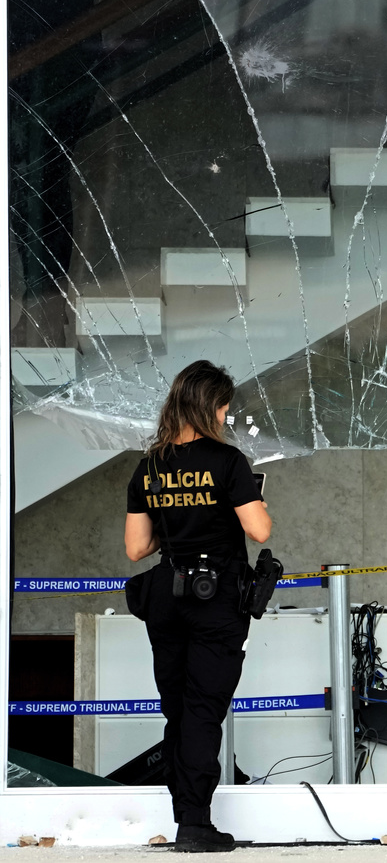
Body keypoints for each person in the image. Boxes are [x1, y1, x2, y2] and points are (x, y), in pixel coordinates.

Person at [124, 360, 271, 853]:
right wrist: (254, 499)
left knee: (178, 713)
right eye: (225, 404)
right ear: (210, 404)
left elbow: (136, 549)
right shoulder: (228, 463)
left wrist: (178, 519)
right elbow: (259, 530)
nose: (228, 413)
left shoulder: (149, 466)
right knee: (204, 711)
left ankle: (186, 815)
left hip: (166, 594)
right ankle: (196, 826)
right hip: (214, 599)